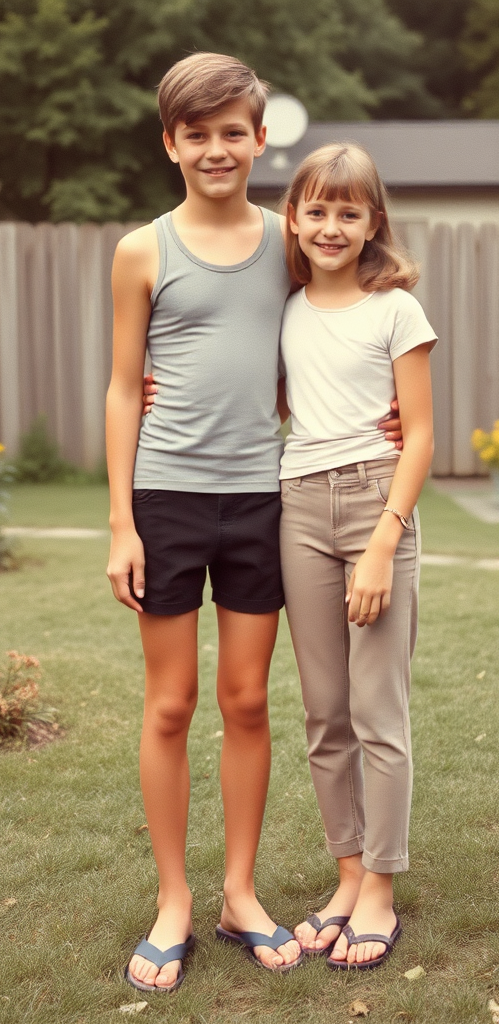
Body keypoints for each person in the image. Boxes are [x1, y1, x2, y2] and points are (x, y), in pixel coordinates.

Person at [107, 52, 403, 992]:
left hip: (263, 499)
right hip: (165, 498)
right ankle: (175, 899)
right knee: (170, 704)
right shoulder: (142, 250)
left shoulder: (289, 240)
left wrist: (385, 412)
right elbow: (122, 388)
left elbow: (326, 334)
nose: (216, 147)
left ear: (259, 138)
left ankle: (239, 891)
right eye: (196, 133)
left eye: (233, 131)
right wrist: (121, 521)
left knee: (244, 701)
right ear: (171, 145)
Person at [277, 142, 436, 969]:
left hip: (377, 502)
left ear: (374, 220)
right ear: (294, 219)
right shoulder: (285, 307)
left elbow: (422, 437)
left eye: (349, 211)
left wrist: (384, 542)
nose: (331, 226)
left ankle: (379, 883)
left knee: (378, 712)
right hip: (297, 505)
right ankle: (346, 871)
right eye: (316, 210)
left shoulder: (395, 308)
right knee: (324, 711)